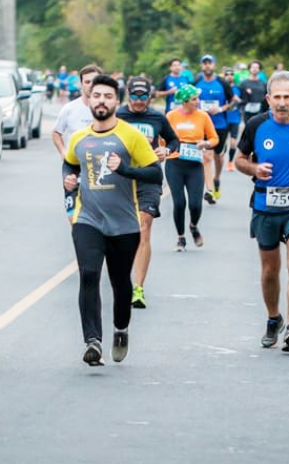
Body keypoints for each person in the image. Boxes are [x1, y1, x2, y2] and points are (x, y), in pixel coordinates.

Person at [64, 74, 163, 366]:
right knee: (89, 274)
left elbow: (155, 174)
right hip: (87, 218)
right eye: (97, 96)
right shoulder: (79, 138)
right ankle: (92, 341)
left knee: (121, 284)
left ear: (116, 102)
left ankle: (121, 329)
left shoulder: (129, 135)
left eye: (108, 97)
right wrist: (68, 181)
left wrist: (125, 170)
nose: (102, 101)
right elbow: (69, 162)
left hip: (124, 223)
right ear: (89, 100)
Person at [234, 71, 289, 352]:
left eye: (288, 97)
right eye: (278, 97)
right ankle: (274, 317)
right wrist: (254, 168)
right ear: (269, 98)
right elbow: (239, 160)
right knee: (270, 269)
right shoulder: (256, 125)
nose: (282, 102)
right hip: (265, 204)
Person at [116, 77, 180, 309]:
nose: (139, 100)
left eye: (144, 96)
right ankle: (120, 278)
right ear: (128, 95)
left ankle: (138, 288)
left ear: (150, 97)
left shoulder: (157, 117)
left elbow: (174, 140)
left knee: (144, 227)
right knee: (121, 232)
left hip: (149, 178)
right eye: (135, 95)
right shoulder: (118, 116)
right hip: (121, 178)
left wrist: (166, 149)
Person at [165, 84, 218, 251]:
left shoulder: (203, 116)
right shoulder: (171, 116)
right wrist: (164, 149)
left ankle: (193, 226)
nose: (198, 101)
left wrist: (206, 143)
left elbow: (214, 138)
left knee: (195, 204)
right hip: (175, 162)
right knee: (179, 203)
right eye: (194, 99)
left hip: (195, 164)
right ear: (185, 101)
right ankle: (181, 238)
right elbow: (163, 138)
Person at [53, 64, 104, 217]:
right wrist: (63, 151)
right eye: (87, 82)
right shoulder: (69, 109)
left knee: (98, 214)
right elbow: (56, 132)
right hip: (74, 165)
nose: (90, 85)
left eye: (94, 81)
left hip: (100, 166)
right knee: (73, 216)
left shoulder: (108, 109)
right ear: (81, 84)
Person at [194, 54, 234, 203]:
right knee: (206, 157)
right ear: (201, 66)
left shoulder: (222, 83)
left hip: (220, 125)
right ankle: (209, 190)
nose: (207, 66)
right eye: (204, 63)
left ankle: (216, 178)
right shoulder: (197, 81)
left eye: (209, 63)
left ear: (214, 65)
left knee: (218, 156)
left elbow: (232, 102)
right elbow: (190, 100)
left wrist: (221, 109)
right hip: (202, 124)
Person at [222, 67, 243, 172]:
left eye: (231, 74)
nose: (229, 76)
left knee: (233, 142)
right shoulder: (220, 87)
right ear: (224, 76)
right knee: (222, 142)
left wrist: (239, 101)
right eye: (227, 74)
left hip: (234, 118)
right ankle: (220, 160)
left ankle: (230, 162)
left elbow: (243, 101)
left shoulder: (238, 88)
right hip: (223, 119)